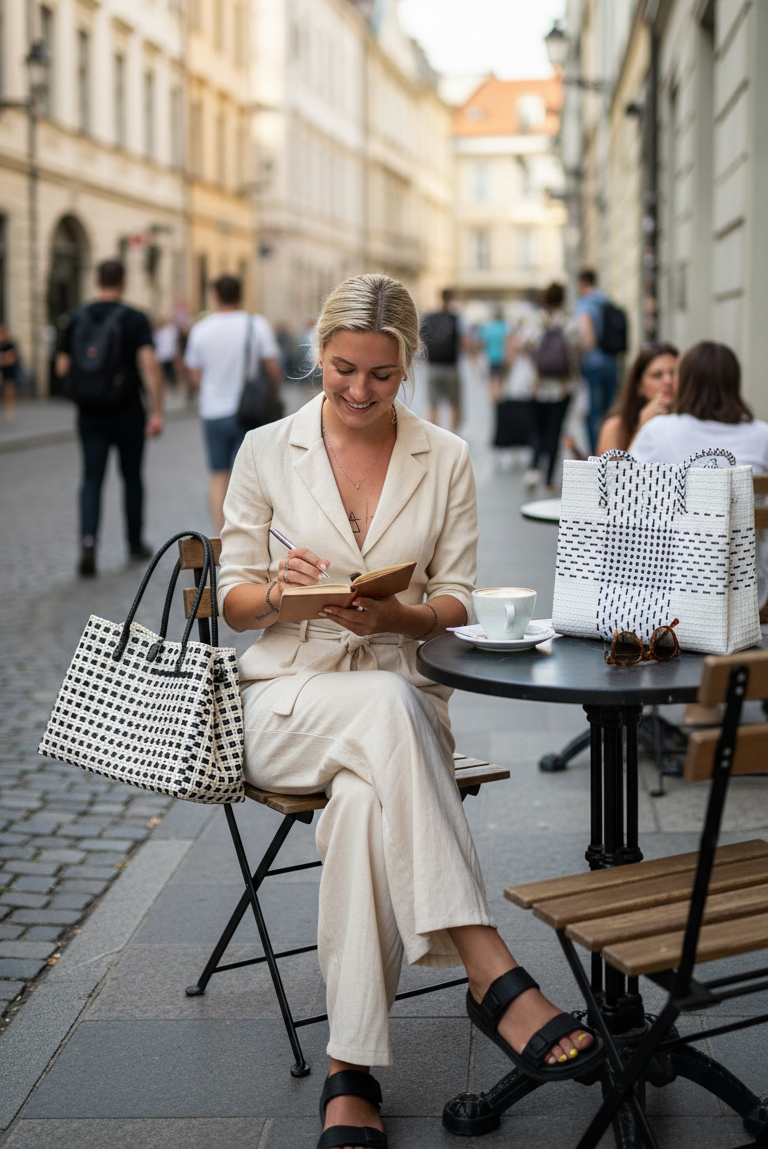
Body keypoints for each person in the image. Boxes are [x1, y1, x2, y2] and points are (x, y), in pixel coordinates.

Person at [218, 272, 600, 1149]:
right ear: (316, 355)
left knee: (361, 804)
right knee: (383, 708)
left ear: (410, 366)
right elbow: (228, 604)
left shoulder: (446, 456)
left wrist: (402, 617)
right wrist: (278, 595)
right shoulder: (265, 450)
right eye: (341, 369)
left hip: (398, 709)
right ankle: (491, 971)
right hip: (286, 701)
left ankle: (349, 1073)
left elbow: (458, 598)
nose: (357, 391)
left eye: (380, 376)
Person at [630, 341, 768, 725]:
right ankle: (705, 706)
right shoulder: (762, 436)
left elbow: (627, 506)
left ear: (685, 382)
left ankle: (699, 709)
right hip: (751, 594)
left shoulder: (660, 431)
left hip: (670, 595)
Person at [55, 259, 164, 577]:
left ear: (95, 280)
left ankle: (88, 544)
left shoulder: (77, 317)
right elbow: (149, 366)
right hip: (127, 411)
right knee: (131, 476)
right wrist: (157, 411)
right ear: (124, 282)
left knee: (91, 478)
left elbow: (61, 367)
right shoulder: (134, 318)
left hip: (89, 413)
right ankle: (134, 543)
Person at [184, 274, 281, 536]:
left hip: (213, 411)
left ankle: (219, 534)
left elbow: (192, 371)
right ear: (240, 296)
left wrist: (208, 388)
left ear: (215, 296)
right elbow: (272, 367)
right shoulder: (256, 324)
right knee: (246, 477)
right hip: (248, 412)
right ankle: (243, 533)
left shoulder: (201, 328)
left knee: (218, 475)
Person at [518, 283, 581, 491]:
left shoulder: (535, 320)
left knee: (537, 429)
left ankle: (533, 471)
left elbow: (524, 346)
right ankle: (548, 480)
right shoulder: (570, 321)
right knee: (555, 431)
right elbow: (576, 352)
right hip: (562, 386)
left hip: (537, 385)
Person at [597, 342, 679, 455]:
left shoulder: (690, 424)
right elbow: (613, 472)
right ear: (639, 386)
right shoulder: (614, 429)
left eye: (674, 373)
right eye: (657, 375)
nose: (668, 381)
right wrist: (642, 429)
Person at [576, 269, 620, 454]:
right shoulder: (606, 300)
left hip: (593, 365)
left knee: (592, 413)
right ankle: (611, 449)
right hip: (612, 362)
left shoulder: (585, 304)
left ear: (582, 283)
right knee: (610, 412)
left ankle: (597, 453)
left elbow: (588, 338)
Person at [420, 288, 472, 432]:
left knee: (432, 404)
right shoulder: (456, 318)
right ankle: (453, 435)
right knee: (455, 403)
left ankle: (435, 437)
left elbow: (420, 342)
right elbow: (465, 344)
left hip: (432, 367)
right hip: (451, 367)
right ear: (451, 299)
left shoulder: (429, 317)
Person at [478, 304, 510, 403]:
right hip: (501, 357)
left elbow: (481, 343)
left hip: (490, 357)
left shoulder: (488, 327)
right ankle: (499, 400)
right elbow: (507, 343)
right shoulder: (504, 326)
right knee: (500, 380)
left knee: (492, 379)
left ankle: (493, 400)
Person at [0, 322, 19, 422]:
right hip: (3, 373)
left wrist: (4, 358)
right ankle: (8, 409)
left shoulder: (10, 344)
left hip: (10, 373)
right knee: (5, 391)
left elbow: (11, 359)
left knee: (10, 390)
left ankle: (10, 410)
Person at [153, 317, 180, 387]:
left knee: (169, 368)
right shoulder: (159, 332)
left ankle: (171, 381)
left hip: (168, 353)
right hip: (163, 354)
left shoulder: (169, 331)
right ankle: (169, 381)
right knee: (166, 369)